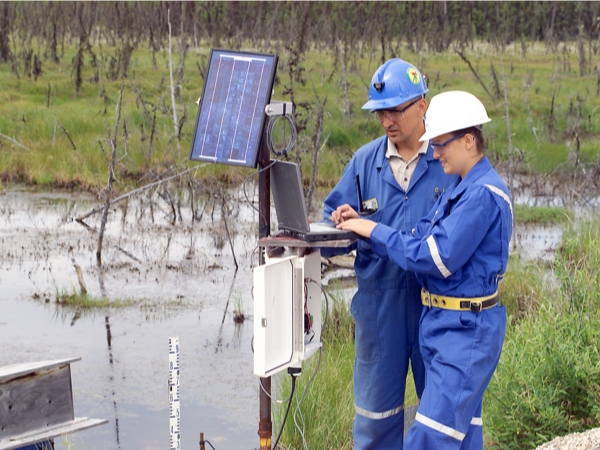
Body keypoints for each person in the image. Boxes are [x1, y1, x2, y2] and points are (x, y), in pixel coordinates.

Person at [336, 90, 513, 449]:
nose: (434, 153)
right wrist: (367, 223)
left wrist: (371, 229)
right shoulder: (461, 189)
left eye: (441, 145)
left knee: (430, 437)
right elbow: (418, 235)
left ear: (468, 140)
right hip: (445, 327)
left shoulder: (482, 195)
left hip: (466, 331)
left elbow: (435, 256)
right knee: (459, 435)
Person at [323, 58, 456, 449]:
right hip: (379, 312)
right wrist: (341, 220)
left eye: (396, 110)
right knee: (375, 422)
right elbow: (332, 225)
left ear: (421, 105)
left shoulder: (447, 159)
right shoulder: (365, 162)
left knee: (441, 421)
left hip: (437, 309)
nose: (387, 121)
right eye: (380, 112)